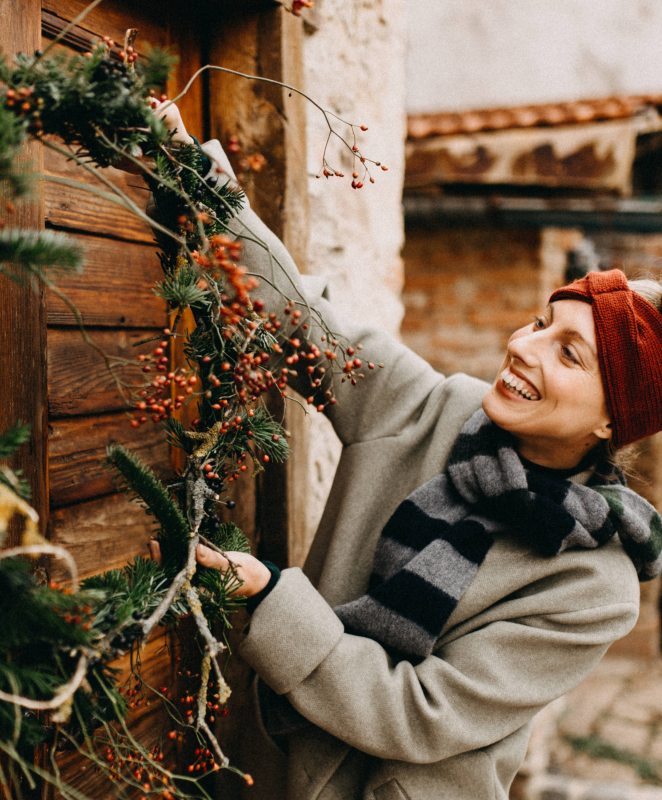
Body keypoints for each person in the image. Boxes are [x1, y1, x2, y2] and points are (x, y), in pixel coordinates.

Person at [150, 104, 662, 800]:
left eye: (567, 353)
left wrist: (272, 598)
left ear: (613, 421)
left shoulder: (594, 589)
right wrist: (195, 178)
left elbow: (420, 715)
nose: (522, 346)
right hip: (273, 762)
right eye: (541, 322)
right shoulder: (433, 410)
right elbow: (302, 319)